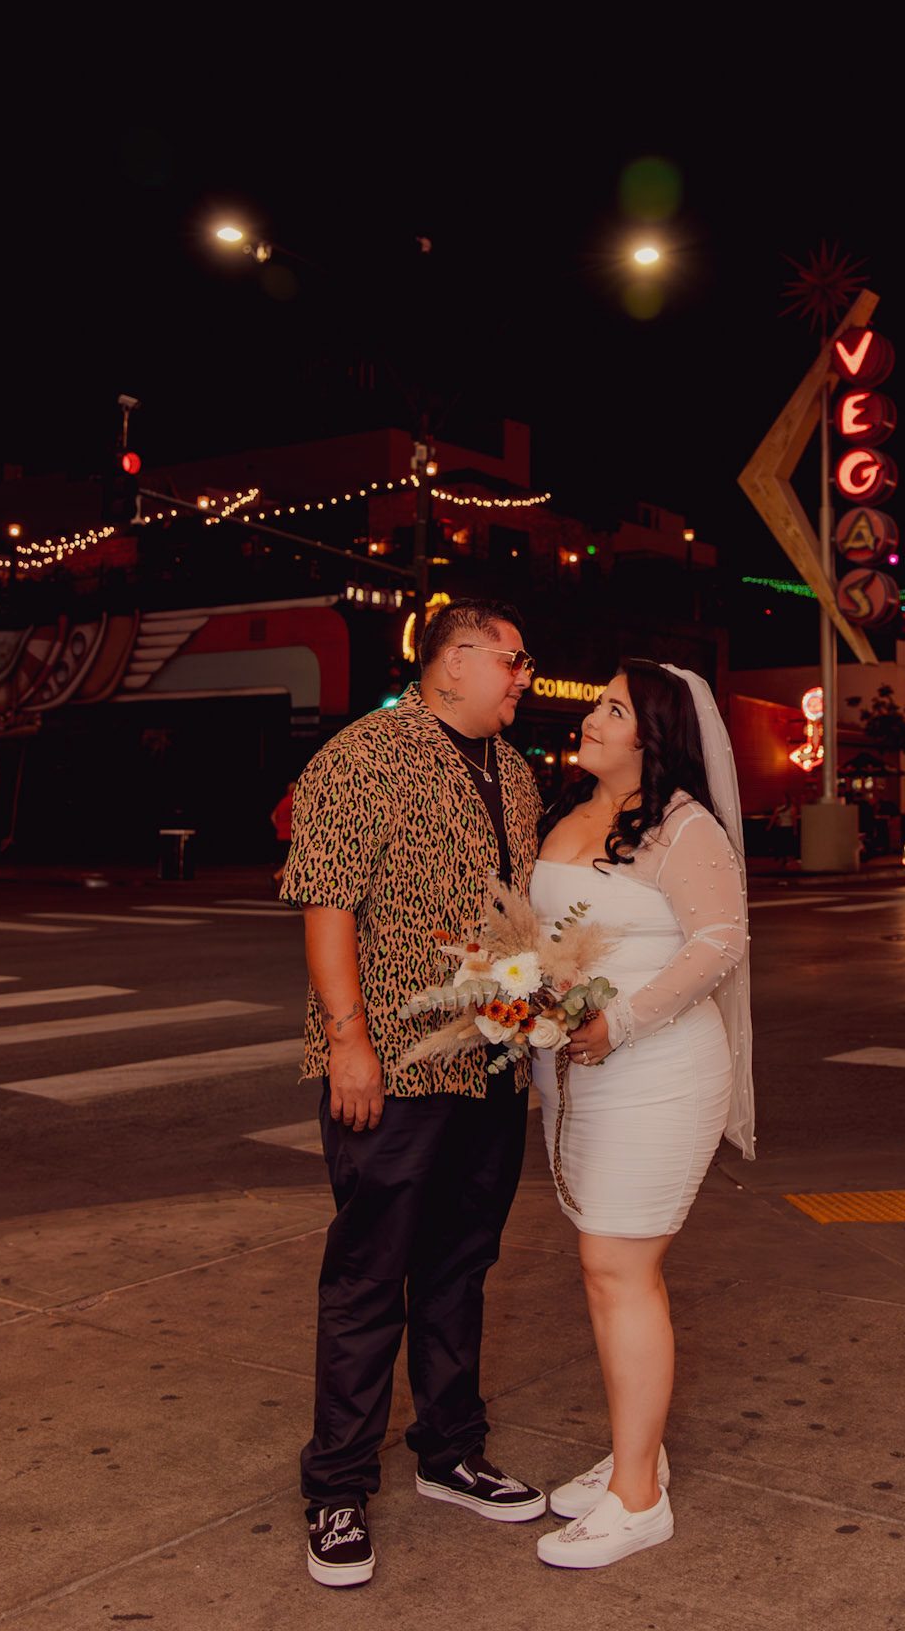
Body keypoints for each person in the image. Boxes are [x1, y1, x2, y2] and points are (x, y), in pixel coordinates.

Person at [282, 599, 546, 1589]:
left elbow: (512, 912)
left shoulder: (514, 772)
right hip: (393, 1062)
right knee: (368, 1275)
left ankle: (450, 1449)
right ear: (456, 659)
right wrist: (348, 1040)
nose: (524, 676)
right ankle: (336, 1487)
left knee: (460, 1265)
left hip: (490, 1060)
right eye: (514, 659)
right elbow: (326, 900)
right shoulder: (362, 755)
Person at [529, 660, 754, 1570]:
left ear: (651, 734)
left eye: (614, 709)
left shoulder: (684, 826)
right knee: (605, 1269)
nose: (592, 716)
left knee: (617, 1265)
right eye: (598, 702)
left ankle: (637, 1501)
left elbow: (720, 942)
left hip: (657, 1070)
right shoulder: (570, 811)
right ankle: (637, 1450)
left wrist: (618, 1021)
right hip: (575, 1073)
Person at [269, 778, 296, 884]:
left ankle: (282, 879)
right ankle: (276, 877)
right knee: (293, 860)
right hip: (289, 835)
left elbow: (273, 816)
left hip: (282, 835)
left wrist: (279, 827)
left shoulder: (283, 801)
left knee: (291, 860)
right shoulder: (293, 801)